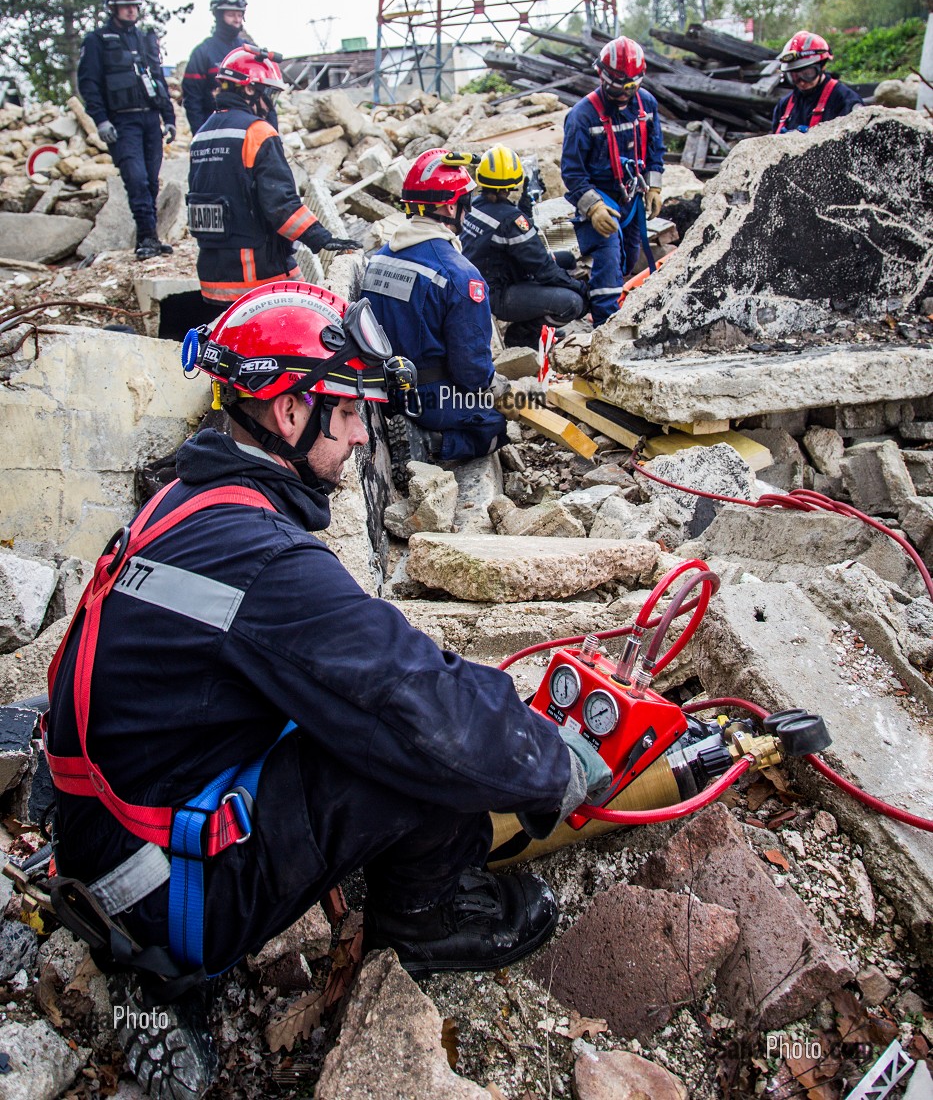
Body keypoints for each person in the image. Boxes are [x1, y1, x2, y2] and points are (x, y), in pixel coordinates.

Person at [45, 281, 610, 1094]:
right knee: (411, 747)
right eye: (347, 413)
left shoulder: (188, 498)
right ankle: (424, 922)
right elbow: (413, 699)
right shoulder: (263, 559)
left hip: (102, 838)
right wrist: (550, 762)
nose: (357, 437)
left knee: (374, 706)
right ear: (287, 413)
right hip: (161, 901)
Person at [361, 150, 508, 461]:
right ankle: (428, 443)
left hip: (384, 389)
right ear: (450, 206)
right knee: (495, 426)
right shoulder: (460, 275)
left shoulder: (380, 257)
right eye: (465, 204)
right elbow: (471, 371)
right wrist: (493, 387)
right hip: (431, 399)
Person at [187, 46, 358, 308]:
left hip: (213, 281)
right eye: (270, 93)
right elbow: (281, 205)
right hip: (259, 277)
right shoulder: (257, 132)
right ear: (249, 89)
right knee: (310, 314)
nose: (270, 103)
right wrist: (321, 238)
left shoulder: (202, 135)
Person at [560, 36, 665, 325]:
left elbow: (656, 149)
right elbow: (572, 172)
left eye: (632, 87)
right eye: (618, 87)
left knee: (628, 258)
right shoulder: (582, 116)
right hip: (599, 192)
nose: (625, 94)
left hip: (630, 194)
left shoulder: (646, 106)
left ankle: (607, 287)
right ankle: (605, 322)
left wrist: (653, 185)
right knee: (609, 246)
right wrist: (593, 207)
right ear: (603, 77)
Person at [77, 0, 177, 261]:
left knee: (151, 182)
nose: (131, 11)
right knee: (136, 179)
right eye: (125, 7)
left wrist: (169, 118)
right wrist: (100, 120)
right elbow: (89, 84)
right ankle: (146, 238)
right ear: (112, 8)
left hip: (150, 120)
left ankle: (152, 237)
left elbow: (158, 79)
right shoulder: (97, 41)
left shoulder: (146, 39)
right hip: (122, 123)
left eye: (134, 6)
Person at [460, 142, 588, 348]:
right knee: (572, 303)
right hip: (497, 294)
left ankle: (534, 322)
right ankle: (523, 334)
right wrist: (579, 288)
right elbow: (543, 269)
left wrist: (524, 207)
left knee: (567, 259)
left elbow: (516, 240)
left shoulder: (475, 204)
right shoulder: (511, 220)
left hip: (484, 278)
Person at [182, 0, 278, 136]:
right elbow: (193, 99)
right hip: (216, 129)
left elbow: (265, 97)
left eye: (240, 15)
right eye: (231, 15)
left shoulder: (250, 51)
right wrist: (201, 135)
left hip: (250, 130)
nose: (237, 20)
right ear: (219, 16)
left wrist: (273, 135)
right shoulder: (203, 52)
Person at [772, 32, 863, 133]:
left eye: (807, 74)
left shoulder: (844, 100)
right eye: (795, 77)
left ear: (822, 67)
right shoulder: (784, 106)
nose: (801, 82)